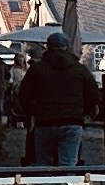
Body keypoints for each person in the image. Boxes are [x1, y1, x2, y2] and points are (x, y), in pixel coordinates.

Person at [19, 31, 95, 167]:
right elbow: (92, 94)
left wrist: (32, 112)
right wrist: (85, 114)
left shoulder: (37, 69)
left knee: (43, 164)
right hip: (72, 121)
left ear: (47, 47)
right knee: (69, 163)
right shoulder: (80, 69)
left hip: (44, 121)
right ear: (68, 47)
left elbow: (24, 94)